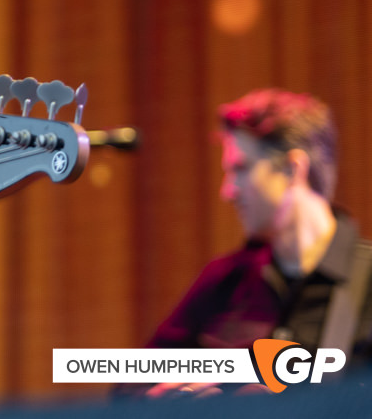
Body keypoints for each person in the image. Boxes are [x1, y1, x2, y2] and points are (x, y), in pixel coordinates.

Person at [140, 88, 372, 396]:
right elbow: (131, 389)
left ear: (292, 168)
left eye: (241, 169)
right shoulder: (223, 282)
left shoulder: (366, 283)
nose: (228, 191)